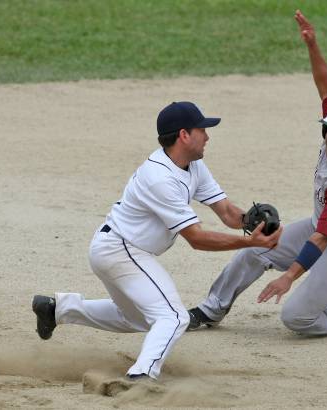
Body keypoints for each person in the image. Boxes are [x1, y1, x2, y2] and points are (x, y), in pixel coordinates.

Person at [32, 101, 282, 380]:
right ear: (184, 135)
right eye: (202, 130)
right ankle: (141, 376)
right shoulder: (159, 178)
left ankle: (57, 310)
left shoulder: (193, 165)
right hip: (121, 250)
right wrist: (250, 244)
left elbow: (226, 211)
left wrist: (252, 222)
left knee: (137, 318)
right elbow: (197, 239)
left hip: (118, 248)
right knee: (174, 317)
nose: (208, 136)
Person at [187, 10, 327, 336]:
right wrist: (312, 45)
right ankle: (211, 309)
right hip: (318, 226)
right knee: (254, 248)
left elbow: (322, 238)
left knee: (296, 317)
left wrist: (288, 276)